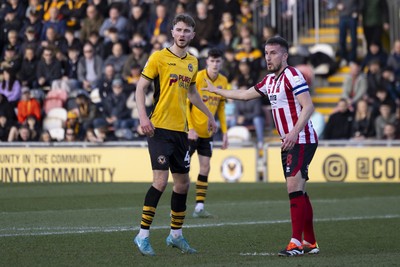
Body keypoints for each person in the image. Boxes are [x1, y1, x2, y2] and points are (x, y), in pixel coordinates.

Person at [202, 36, 319, 256]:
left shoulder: (292, 75)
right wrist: (218, 91)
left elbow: (308, 106)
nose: (268, 57)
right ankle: (310, 242)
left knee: (293, 187)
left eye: (273, 53)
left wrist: (293, 132)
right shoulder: (269, 80)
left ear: (284, 55)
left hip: (301, 139)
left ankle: (296, 242)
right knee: (300, 191)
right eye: (266, 53)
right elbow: (245, 95)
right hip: (289, 141)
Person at [133, 13, 217, 256]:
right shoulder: (159, 57)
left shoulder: (192, 61)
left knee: (182, 184)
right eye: (178, 30)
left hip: (181, 131)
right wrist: (143, 117)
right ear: (172, 32)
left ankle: (176, 235)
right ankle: (142, 235)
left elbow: (192, 93)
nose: (182, 34)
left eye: (186, 31)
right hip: (159, 129)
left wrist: (209, 115)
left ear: (192, 34)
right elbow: (140, 88)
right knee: (160, 181)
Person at [187, 48, 229, 218]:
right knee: (183, 169)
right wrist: (189, 127)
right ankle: (178, 205)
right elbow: (187, 103)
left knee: (205, 167)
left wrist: (225, 132)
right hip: (191, 132)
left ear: (221, 62)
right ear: (207, 62)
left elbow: (221, 108)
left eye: (218, 61)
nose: (215, 64)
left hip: (207, 133)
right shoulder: (198, 77)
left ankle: (199, 206)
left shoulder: (223, 81)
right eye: (212, 61)